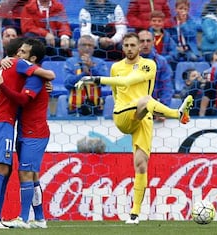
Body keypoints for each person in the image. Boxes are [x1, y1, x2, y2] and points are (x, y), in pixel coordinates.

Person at [75, 32, 194, 224]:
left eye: (133, 45)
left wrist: (95, 79)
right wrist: (99, 81)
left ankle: (134, 214)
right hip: (123, 115)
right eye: (126, 45)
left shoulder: (150, 65)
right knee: (146, 100)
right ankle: (178, 114)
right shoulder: (115, 67)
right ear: (122, 48)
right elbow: (117, 91)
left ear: (139, 47)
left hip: (143, 117)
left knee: (141, 165)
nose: (130, 49)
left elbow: (127, 82)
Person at [0, 37, 55, 229]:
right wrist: (1, 62)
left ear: (32, 57)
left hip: (33, 131)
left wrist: (1, 73)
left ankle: (27, 218)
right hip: (15, 125)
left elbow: (23, 99)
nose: (18, 56)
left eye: (23, 53)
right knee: (22, 172)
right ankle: (32, 218)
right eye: (19, 51)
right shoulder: (20, 68)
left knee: (25, 173)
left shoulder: (34, 75)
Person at [64, 35, 109, 116]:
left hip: (96, 109)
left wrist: (92, 68)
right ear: (78, 47)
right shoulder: (70, 62)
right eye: (84, 45)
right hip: (74, 110)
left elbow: (105, 82)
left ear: (94, 48)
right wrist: (83, 74)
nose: (87, 48)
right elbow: (67, 84)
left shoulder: (100, 63)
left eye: (90, 45)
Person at [138, 30, 174, 112]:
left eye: (148, 41)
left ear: (153, 42)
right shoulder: (129, 62)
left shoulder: (161, 62)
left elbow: (166, 87)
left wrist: (163, 108)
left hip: (154, 107)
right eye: (142, 41)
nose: (145, 44)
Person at [168, 0, 200, 66]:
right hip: (175, 48)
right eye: (180, 8)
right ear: (176, 9)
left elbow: (191, 35)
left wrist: (183, 23)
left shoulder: (191, 22)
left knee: (193, 58)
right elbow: (169, 37)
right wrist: (176, 47)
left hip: (189, 49)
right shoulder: (171, 22)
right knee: (172, 58)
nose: (183, 11)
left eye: (185, 9)